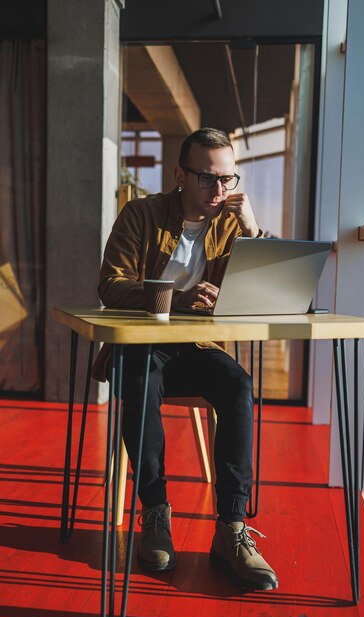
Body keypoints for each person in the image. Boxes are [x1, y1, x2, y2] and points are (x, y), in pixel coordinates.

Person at [96, 127, 278, 591]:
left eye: (228, 179)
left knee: (237, 384)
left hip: (198, 348)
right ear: (180, 175)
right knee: (139, 380)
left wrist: (254, 231)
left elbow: (265, 293)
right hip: (142, 344)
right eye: (207, 178)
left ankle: (231, 530)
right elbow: (111, 284)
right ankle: (155, 512)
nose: (220, 190)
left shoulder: (233, 222)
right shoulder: (140, 214)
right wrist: (176, 298)